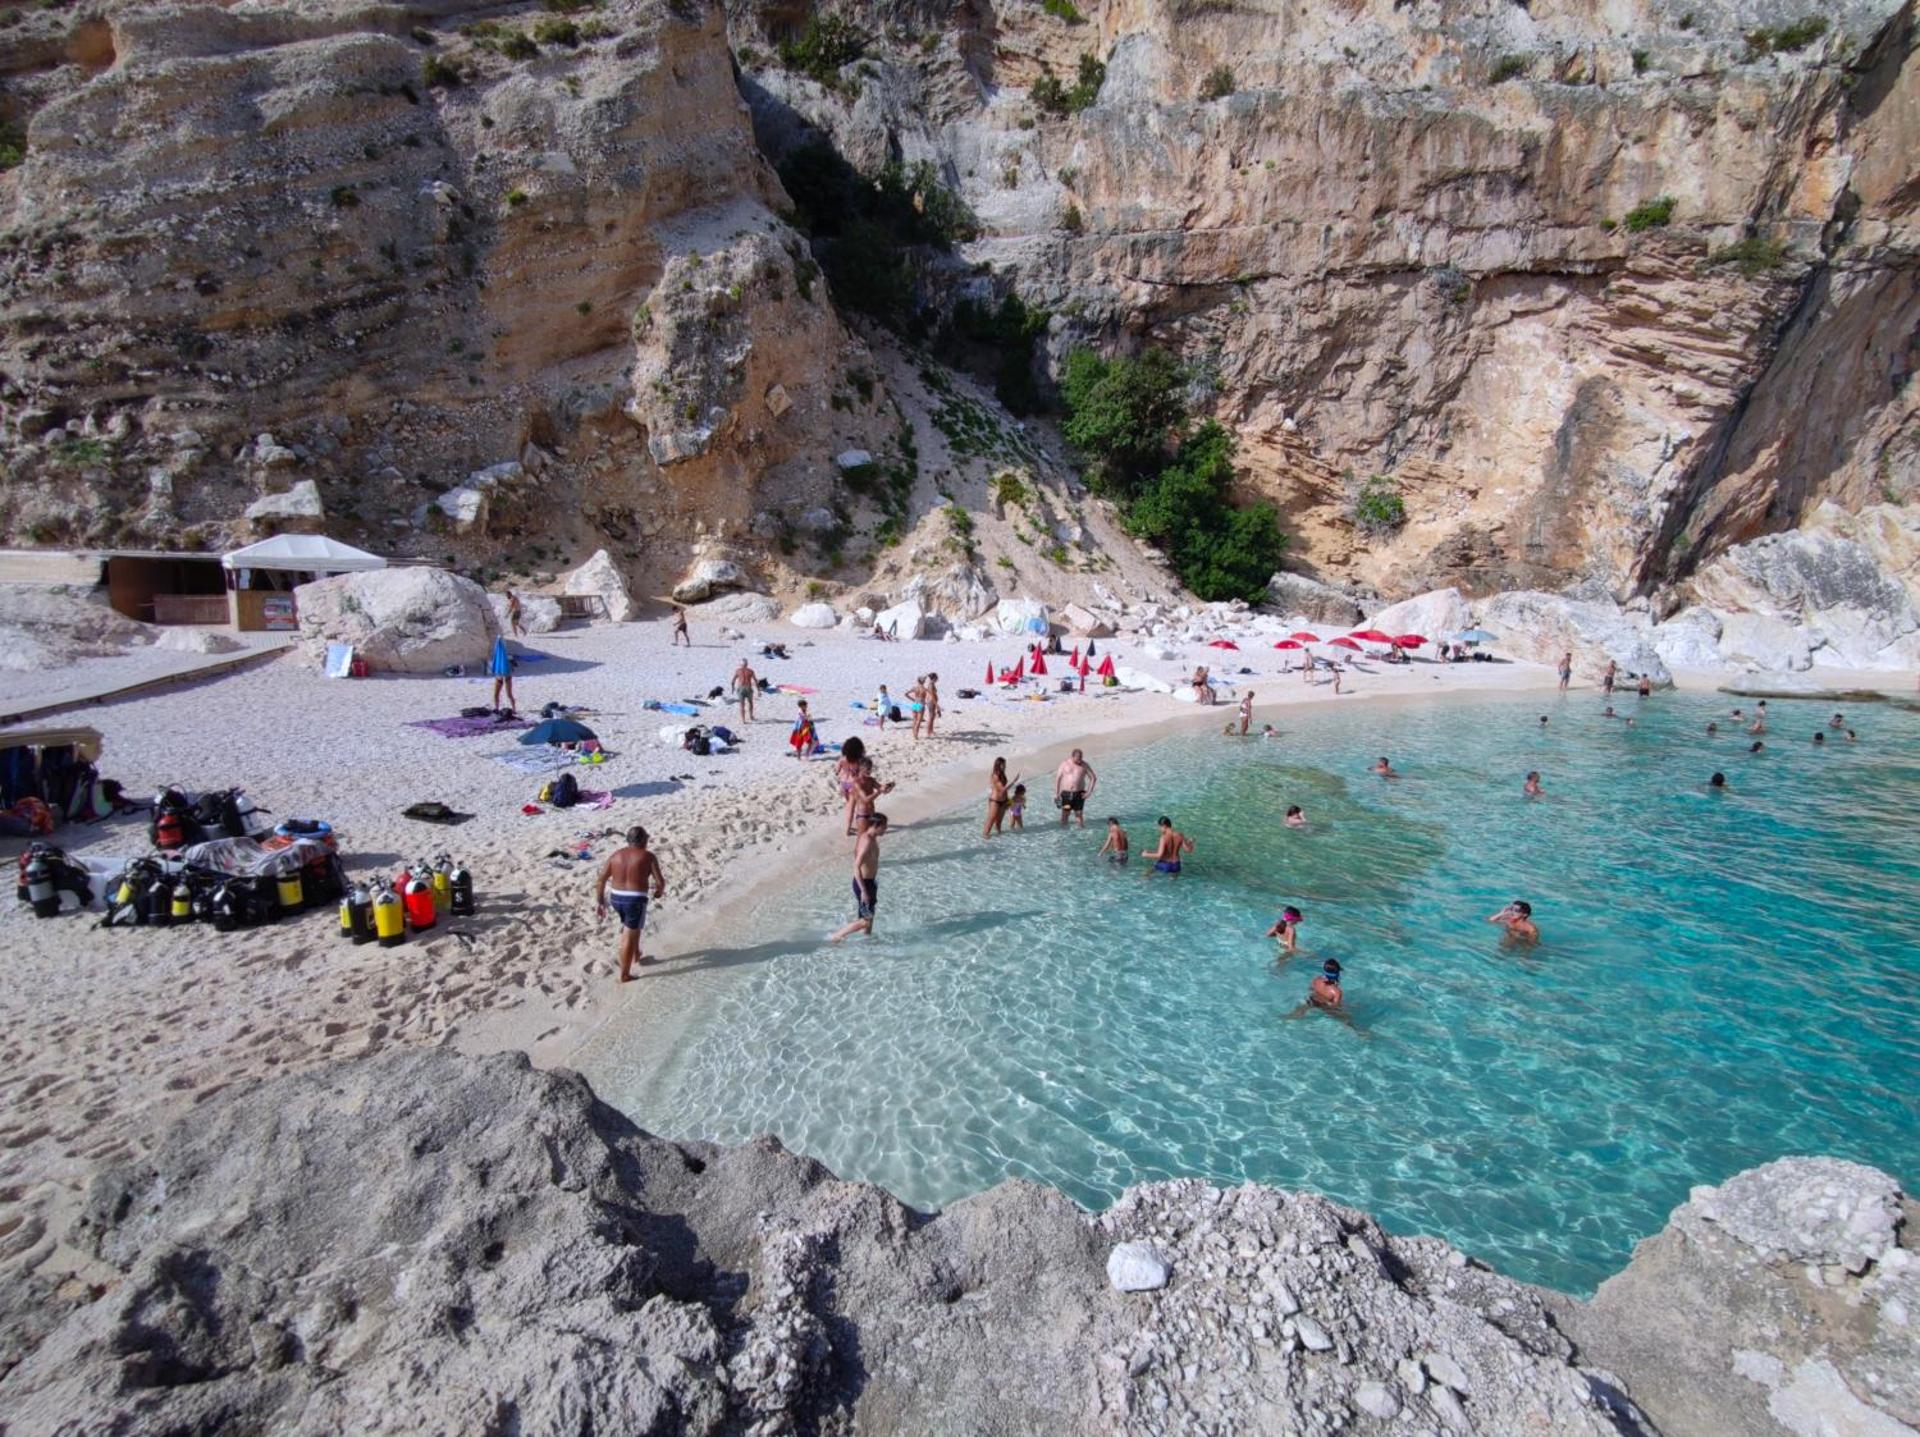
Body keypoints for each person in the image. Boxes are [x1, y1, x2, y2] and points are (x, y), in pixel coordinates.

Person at [596, 826, 666, 982]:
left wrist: (600, 902)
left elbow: (601, 880)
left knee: (633, 927)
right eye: (647, 838)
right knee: (628, 934)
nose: (648, 840)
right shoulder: (648, 856)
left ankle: (636, 954)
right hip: (634, 900)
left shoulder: (616, 855)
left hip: (616, 898)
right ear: (642, 840)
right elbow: (660, 882)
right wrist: (658, 893)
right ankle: (624, 975)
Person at [828, 812, 888, 943]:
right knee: (864, 922)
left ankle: (867, 943)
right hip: (863, 884)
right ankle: (837, 936)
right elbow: (856, 866)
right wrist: (864, 891)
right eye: (884, 826)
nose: (886, 829)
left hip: (870, 883)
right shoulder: (866, 841)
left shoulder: (872, 838)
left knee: (870, 918)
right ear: (876, 825)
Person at [1054, 748, 1097, 828]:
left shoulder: (1084, 765)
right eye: (1078, 758)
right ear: (1073, 757)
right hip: (1066, 794)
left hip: (1079, 794)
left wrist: (1089, 792)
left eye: (1081, 758)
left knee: (1079, 815)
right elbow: (1058, 779)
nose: (1080, 760)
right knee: (1065, 814)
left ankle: (1081, 834)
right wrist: (1056, 794)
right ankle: (1063, 833)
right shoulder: (1064, 764)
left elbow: (1093, 778)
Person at [835, 736, 867, 836]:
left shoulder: (842, 759)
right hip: (853, 785)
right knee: (855, 807)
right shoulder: (858, 761)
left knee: (849, 806)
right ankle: (850, 829)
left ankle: (847, 829)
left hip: (844, 784)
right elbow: (862, 772)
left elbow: (836, 771)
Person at [984, 756, 1013, 838]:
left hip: (1003, 800)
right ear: (998, 765)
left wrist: (1008, 800)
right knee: (991, 819)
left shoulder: (1002, 774)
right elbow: (1002, 789)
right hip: (995, 801)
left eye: (1005, 765)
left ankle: (999, 836)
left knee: (999, 821)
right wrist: (1014, 781)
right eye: (1003, 765)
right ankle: (985, 834)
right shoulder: (995, 776)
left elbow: (1005, 791)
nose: (1005, 766)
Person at [488, 634, 516, 712]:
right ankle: (497, 708)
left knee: (509, 695)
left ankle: (514, 708)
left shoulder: (503, 656)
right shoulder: (501, 656)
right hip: (501, 676)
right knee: (497, 694)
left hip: (505, 677)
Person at [732, 658, 758, 726]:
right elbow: (755, 681)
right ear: (747, 664)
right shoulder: (750, 671)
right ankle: (751, 716)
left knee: (742, 704)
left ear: (741, 664)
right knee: (750, 703)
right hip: (748, 688)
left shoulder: (738, 671)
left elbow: (733, 681)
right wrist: (758, 690)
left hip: (741, 688)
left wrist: (733, 688)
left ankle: (743, 720)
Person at [923, 673, 942, 737]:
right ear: (934, 678)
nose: (937, 679)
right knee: (931, 717)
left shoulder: (931, 684)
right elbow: (932, 695)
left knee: (932, 716)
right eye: (937, 677)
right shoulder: (931, 685)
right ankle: (928, 731)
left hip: (931, 701)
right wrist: (936, 704)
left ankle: (931, 730)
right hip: (931, 702)